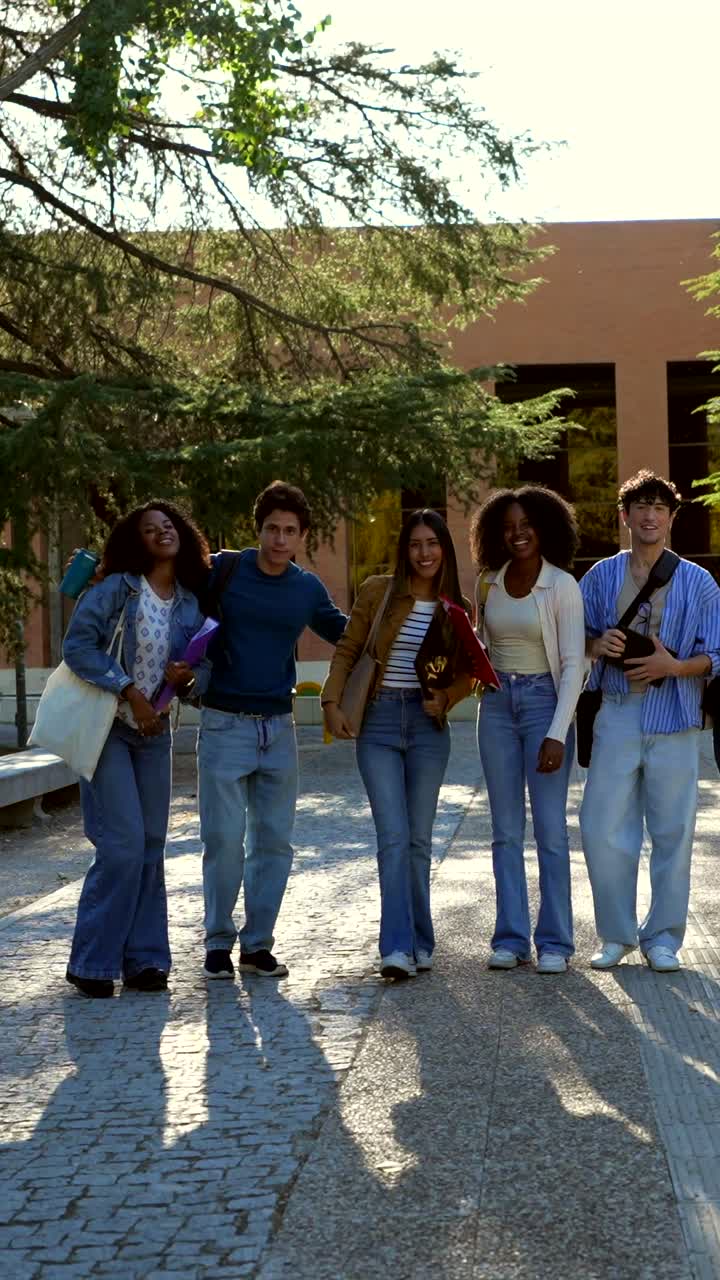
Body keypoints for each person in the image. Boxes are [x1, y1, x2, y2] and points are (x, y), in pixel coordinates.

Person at [63, 501, 212, 998]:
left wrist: (185, 679)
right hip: (108, 728)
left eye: (168, 525)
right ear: (137, 541)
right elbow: (78, 646)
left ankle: (146, 960)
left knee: (151, 846)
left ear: (182, 535)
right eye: (150, 529)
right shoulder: (115, 590)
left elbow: (201, 671)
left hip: (155, 736)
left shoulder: (190, 603)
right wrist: (129, 689)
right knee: (122, 844)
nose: (162, 533)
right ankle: (92, 962)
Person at [199, 481, 347, 980]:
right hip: (224, 724)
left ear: (302, 535)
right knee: (222, 838)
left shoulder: (306, 588)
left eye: (290, 531)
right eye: (271, 529)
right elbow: (168, 590)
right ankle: (217, 942)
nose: (280, 539)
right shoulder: (224, 570)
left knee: (275, 842)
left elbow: (345, 632)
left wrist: (408, 624)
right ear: (257, 530)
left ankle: (257, 944)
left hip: (278, 729)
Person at [322, 509, 475, 979]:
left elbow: (472, 671)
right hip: (381, 721)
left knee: (418, 840)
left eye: (432, 543)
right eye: (415, 544)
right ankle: (395, 947)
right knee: (392, 839)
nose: (424, 552)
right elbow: (348, 648)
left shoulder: (457, 608)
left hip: (429, 730)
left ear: (444, 549)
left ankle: (420, 942)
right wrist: (331, 701)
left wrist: (447, 698)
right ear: (404, 549)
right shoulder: (378, 592)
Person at [579, 470, 720, 972]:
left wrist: (675, 667)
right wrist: (598, 646)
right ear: (625, 516)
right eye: (641, 506)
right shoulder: (598, 577)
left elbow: (717, 653)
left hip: (675, 716)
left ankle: (663, 937)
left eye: (659, 507)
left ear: (672, 517)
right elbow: (577, 642)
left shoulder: (699, 582)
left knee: (673, 829)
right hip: (617, 713)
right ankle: (616, 935)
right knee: (600, 827)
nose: (650, 515)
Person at [472, 486, 585, 974]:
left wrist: (558, 732)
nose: (518, 534)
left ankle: (556, 943)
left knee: (550, 830)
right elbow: (483, 643)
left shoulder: (561, 586)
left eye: (527, 524)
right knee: (503, 831)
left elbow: (574, 662)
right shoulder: (488, 584)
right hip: (497, 706)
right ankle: (511, 939)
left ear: (545, 527)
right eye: (509, 526)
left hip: (545, 703)